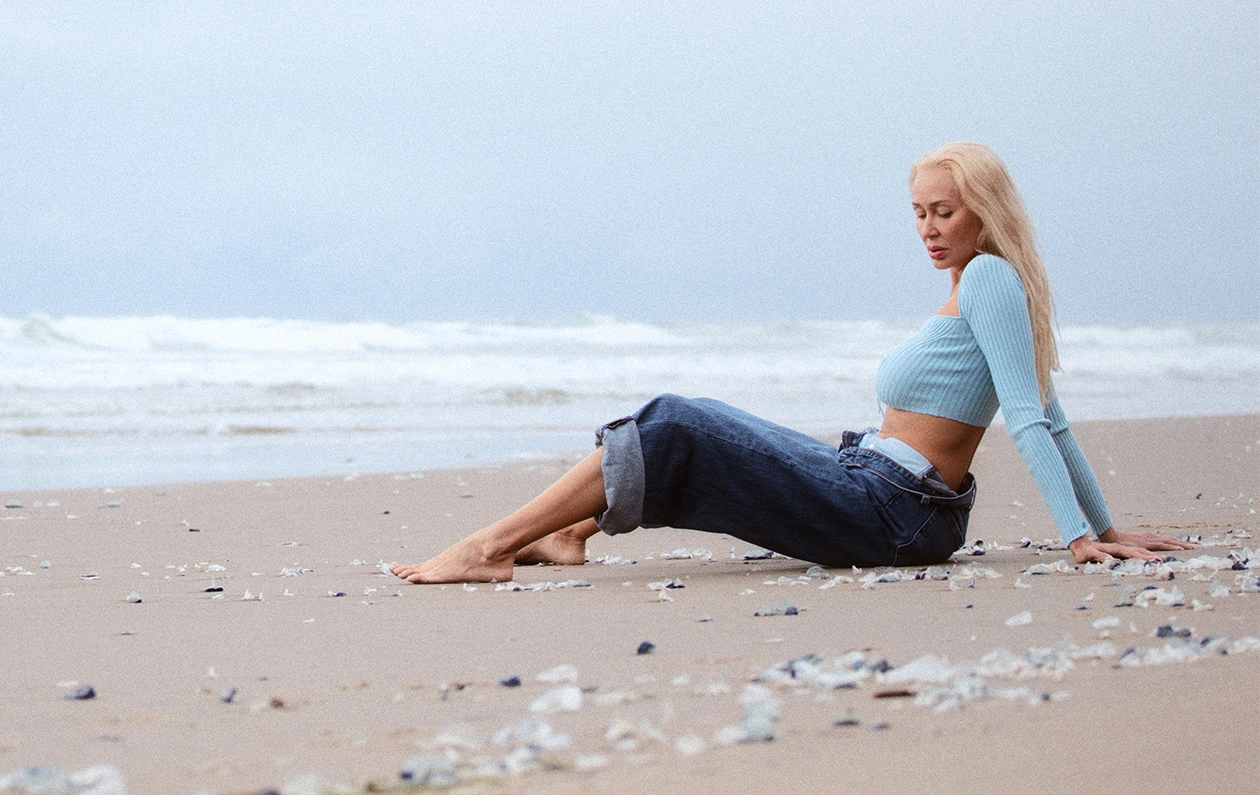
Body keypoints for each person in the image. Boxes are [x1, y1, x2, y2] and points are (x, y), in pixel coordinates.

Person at [390, 142, 1190, 584]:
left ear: (987, 209)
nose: (928, 228)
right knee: (689, 430)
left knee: (674, 419)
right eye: (917, 212)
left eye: (943, 211)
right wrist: (1105, 525)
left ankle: (488, 545)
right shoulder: (979, 286)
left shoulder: (987, 280)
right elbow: (1050, 413)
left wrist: (1085, 534)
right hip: (883, 487)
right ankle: (568, 530)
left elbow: (1033, 416)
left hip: (894, 505)